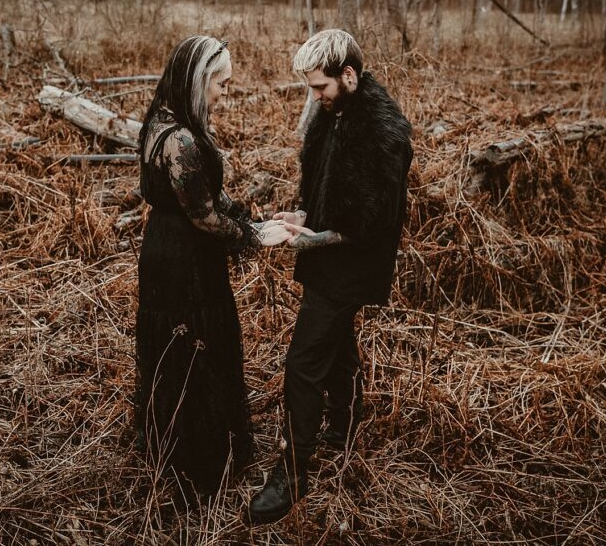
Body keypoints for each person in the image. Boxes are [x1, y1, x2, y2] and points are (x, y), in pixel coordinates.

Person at [247, 29, 414, 524]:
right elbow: (323, 187)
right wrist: (302, 217)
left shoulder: (384, 133)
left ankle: (293, 471)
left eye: (320, 87)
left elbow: (372, 222)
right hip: (327, 257)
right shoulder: (332, 115)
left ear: (349, 75)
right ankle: (342, 431)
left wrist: (313, 239)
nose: (314, 97)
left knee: (302, 362)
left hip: (351, 266)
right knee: (337, 347)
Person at [135, 35, 293, 500]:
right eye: (221, 84)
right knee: (194, 342)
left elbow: (207, 195)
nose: (226, 93)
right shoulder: (179, 139)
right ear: (198, 81)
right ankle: (198, 459)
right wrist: (254, 235)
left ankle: (172, 442)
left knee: (179, 341)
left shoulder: (164, 120)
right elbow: (203, 215)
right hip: (185, 257)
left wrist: (251, 218)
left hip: (167, 247)